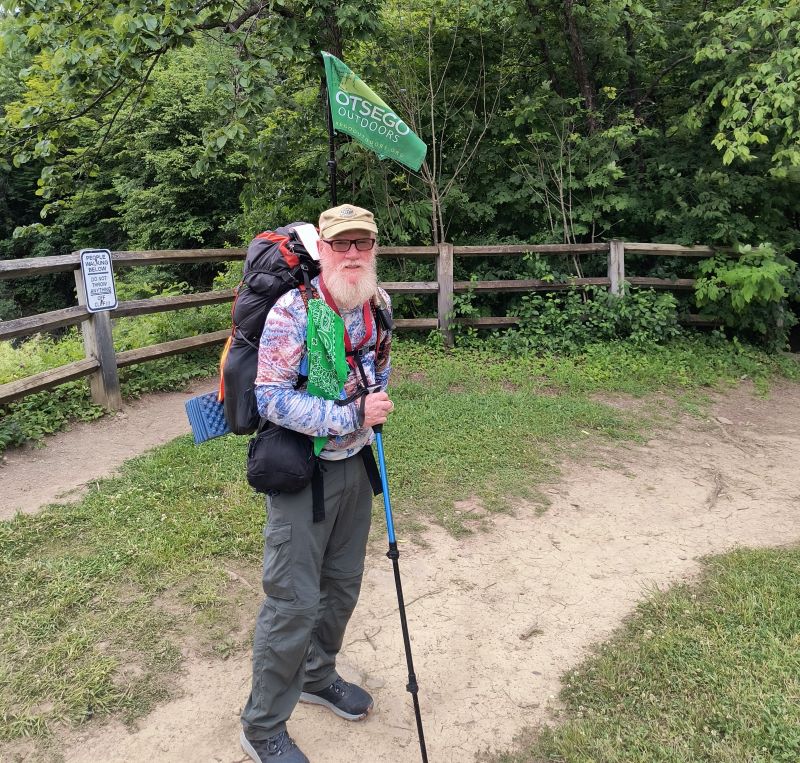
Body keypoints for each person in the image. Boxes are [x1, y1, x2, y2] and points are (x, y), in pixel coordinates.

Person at [240, 204, 394, 763]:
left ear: (374, 249)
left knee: (342, 586)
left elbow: (378, 368)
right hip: (303, 472)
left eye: (363, 244)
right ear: (322, 250)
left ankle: (317, 674)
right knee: (293, 602)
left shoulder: (377, 305)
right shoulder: (293, 312)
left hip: (354, 468)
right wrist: (351, 416)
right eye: (342, 245)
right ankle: (262, 726)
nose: (353, 255)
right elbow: (271, 398)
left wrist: (371, 404)